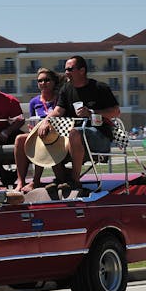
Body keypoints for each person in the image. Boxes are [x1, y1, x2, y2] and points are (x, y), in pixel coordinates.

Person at [37, 55, 120, 196]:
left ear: (82, 70)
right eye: (65, 69)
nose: (66, 73)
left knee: (74, 132)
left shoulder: (99, 88)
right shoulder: (66, 89)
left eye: (70, 69)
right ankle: (61, 178)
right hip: (73, 135)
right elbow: (58, 111)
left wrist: (91, 112)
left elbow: (116, 112)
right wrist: (45, 121)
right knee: (47, 133)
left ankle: (74, 180)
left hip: (99, 135)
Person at [14, 68, 62, 192]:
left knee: (42, 137)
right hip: (37, 133)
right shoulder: (34, 102)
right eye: (40, 81)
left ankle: (36, 180)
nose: (43, 83)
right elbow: (32, 121)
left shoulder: (60, 99)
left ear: (54, 82)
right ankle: (21, 181)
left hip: (58, 135)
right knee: (20, 139)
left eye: (47, 80)